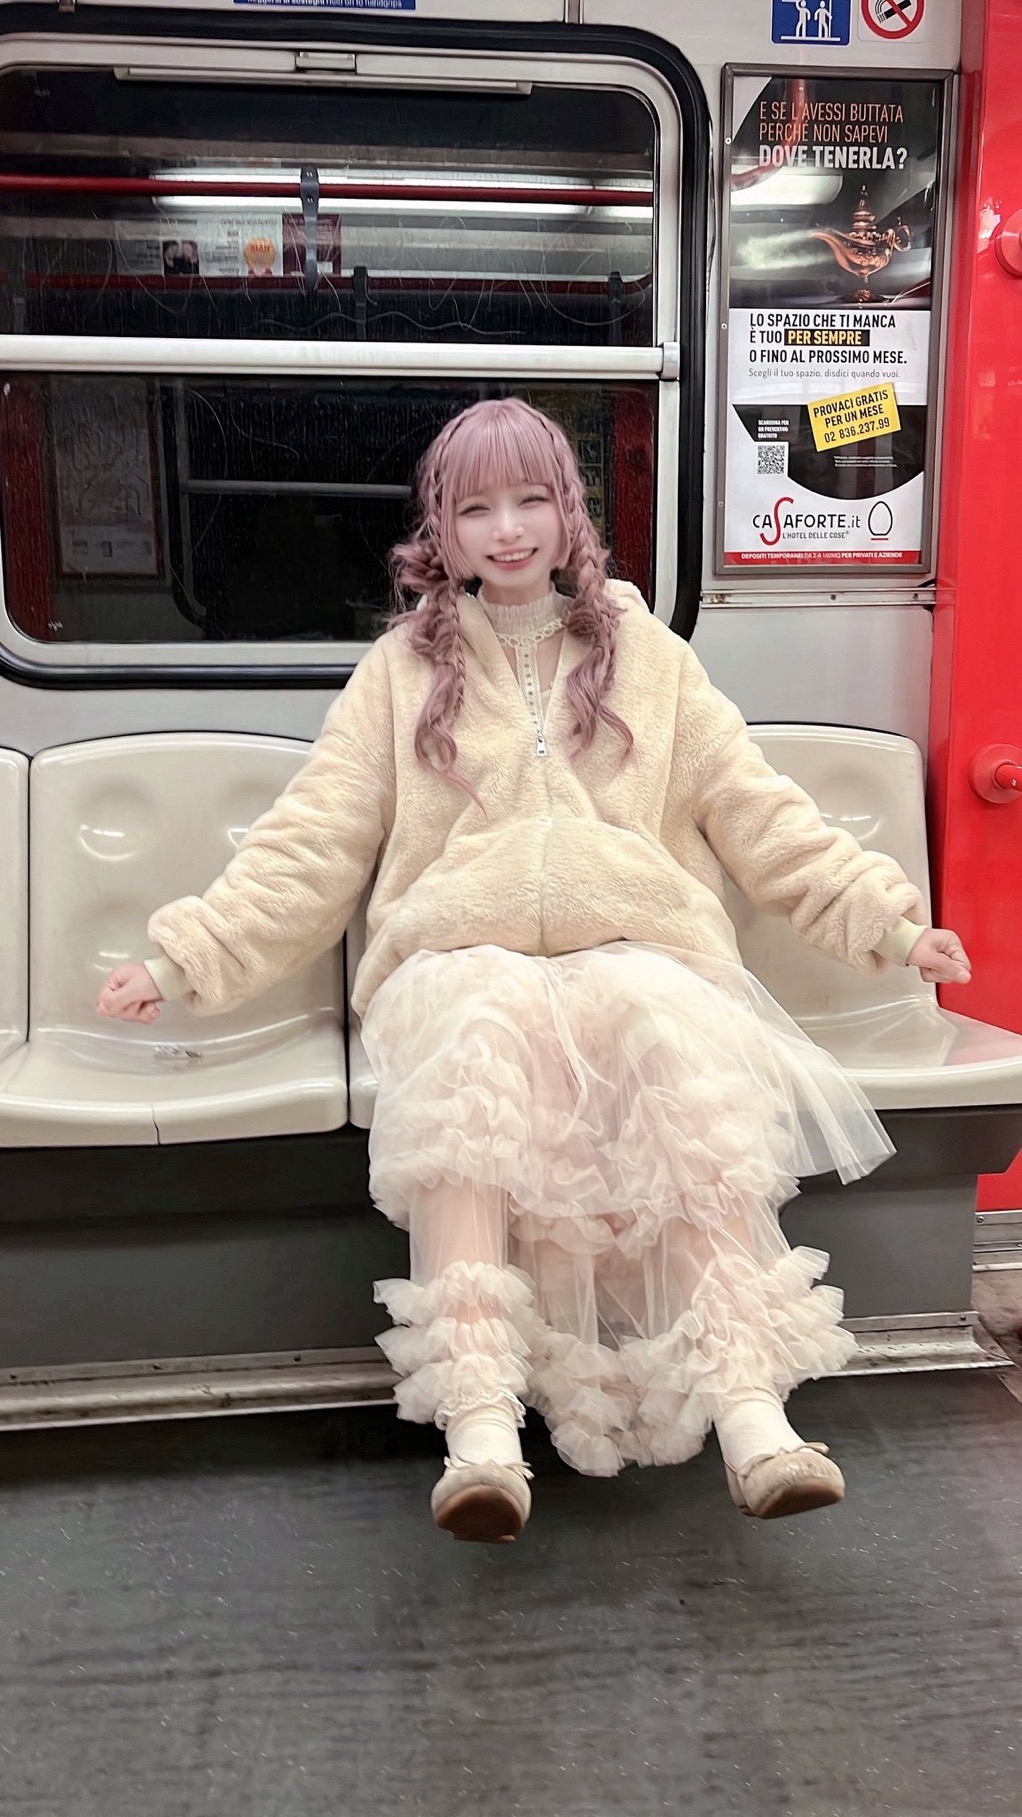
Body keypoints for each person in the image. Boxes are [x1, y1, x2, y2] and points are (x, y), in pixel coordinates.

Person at [96, 399, 970, 1545]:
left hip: (634, 941)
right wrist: (187, 955)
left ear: (568, 513)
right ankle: (479, 1433)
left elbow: (756, 810)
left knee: (665, 1034)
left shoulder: (649, 657)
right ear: (441, 529)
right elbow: (311, 842)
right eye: (475, 508)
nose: (505, 529)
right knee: (477, 1041)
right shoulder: (400, 673)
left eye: (529, 500)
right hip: (456, 949)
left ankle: (753, 1417)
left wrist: (887, 926)